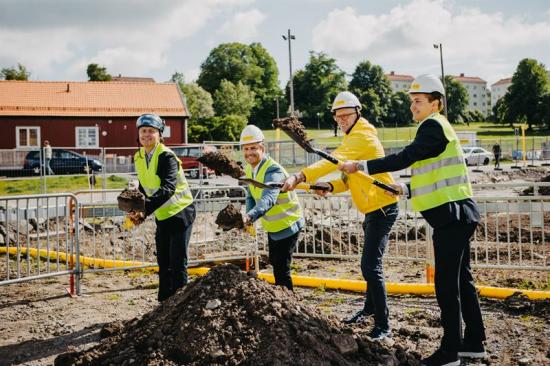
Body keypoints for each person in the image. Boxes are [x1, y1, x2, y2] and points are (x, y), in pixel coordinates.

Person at [338, 74, 486, 366]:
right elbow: (435, 174)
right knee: (462, 281)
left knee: (447, 285)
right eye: (412, 102)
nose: (413, 107)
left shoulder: (432, 126)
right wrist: (405, 188)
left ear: (436, 103)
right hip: (457, 213)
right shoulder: (437, 129)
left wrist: (362, 165)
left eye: (418, 101)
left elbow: (406, 157)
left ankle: (450, 353)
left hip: (451, 216)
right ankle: (474, 342)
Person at [282, 91, 399, 341]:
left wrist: (300, 176)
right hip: (372, 210)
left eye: (347, 115)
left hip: (383, 208)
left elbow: (332, 162)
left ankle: (383, 325)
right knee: (370, 265)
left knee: (370, 266)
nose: (342, 120)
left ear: (359, 112)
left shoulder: (362, 137)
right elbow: (348, 179)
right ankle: (369, 310)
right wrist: (330, 187)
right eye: (338, 116)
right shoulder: (352, 138)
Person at [127, 113, 196, 302]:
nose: (146, 135)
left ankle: (180, 306)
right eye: (143, 131)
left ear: (159, 135)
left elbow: (168, 188)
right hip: (163, 215)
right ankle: (164, 304)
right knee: (163, 262)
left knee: (177, 262)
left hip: (181, 213)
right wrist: (135, 207)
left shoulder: (167, 156)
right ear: (138, 134)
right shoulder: (139, 156)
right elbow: (144, 186)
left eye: (151, 131)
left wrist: (145, 210)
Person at [240, 125, 304, 291]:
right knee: (276, 263)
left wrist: (249, 217)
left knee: (281, 268)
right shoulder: (249, 168)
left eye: (253, 148)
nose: (249, 153)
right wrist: (249, 216)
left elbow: (268, 199)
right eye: (246, 149)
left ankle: (289, 304)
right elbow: (250, 195)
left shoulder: (273, 170)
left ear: (262, 147)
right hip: (274, 226)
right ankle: (285, 300)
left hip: (288, 223)